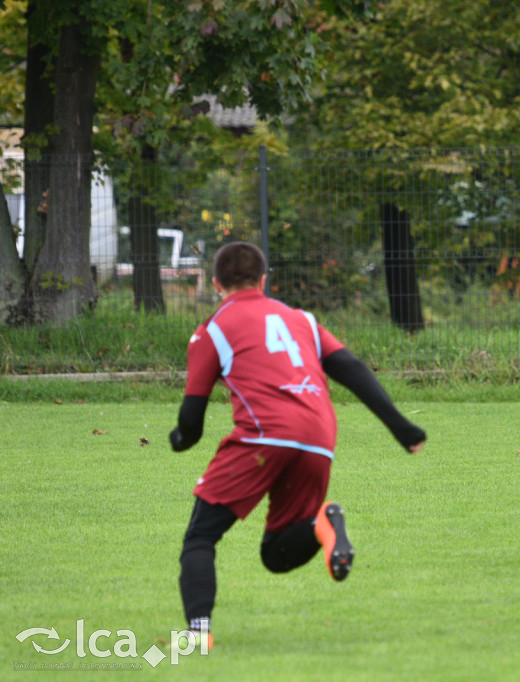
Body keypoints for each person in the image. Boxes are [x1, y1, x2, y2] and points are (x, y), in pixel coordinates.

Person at [169, 241, 426, 646]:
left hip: (264, 435)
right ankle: (322, 524)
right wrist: (402, 428)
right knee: (276, 555)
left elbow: (191, 421)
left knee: (201, 537)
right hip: (319, 436)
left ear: (216, 283)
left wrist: (180, 439)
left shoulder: (212, 329)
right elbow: (351, 369)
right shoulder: (301, 320)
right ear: (264, 279)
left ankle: (198, 633)